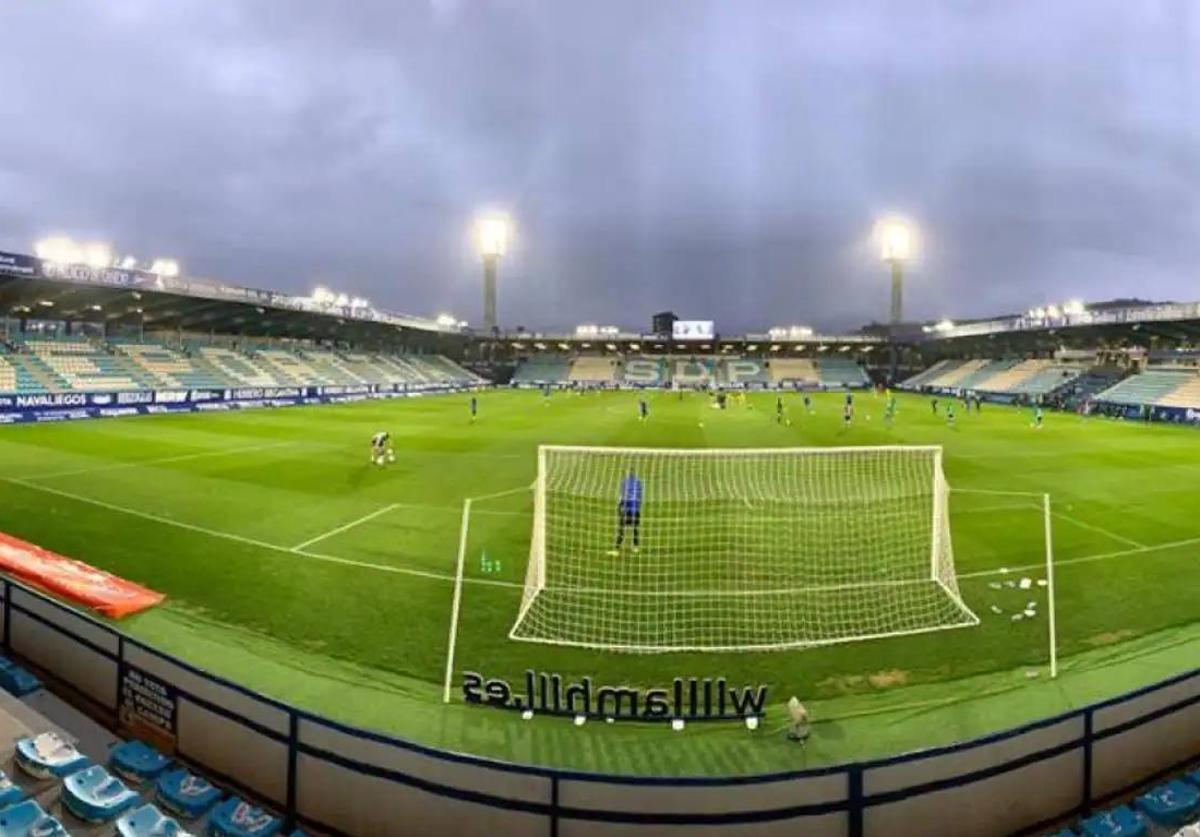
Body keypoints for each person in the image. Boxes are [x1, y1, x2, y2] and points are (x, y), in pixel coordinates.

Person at [608, 469, 643, 555]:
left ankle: (616, 550)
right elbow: (640, 496)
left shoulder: (625, 482)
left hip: (627, 511)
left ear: (628, 474)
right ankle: (636, 547)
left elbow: (623, 496)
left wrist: (619, 508)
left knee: (621, 529)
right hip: (636, 510)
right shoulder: (639, 483)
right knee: (635, 529)